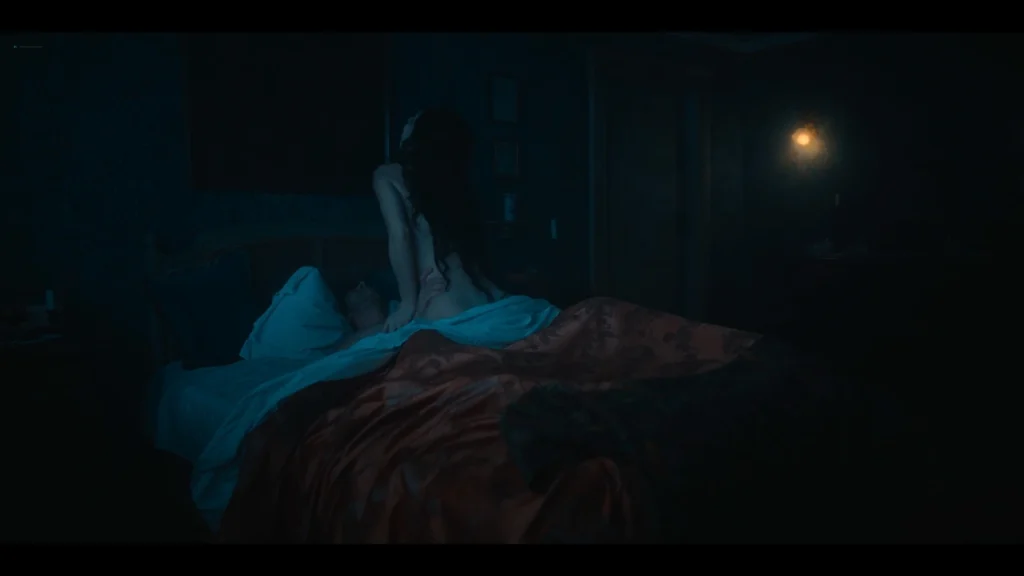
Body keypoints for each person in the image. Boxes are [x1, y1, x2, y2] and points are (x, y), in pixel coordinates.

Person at [372, 108, 504, 333]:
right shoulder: (456, 187)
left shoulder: (387, 175)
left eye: (414, 119)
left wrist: (407, 303)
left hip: (442, 302)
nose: (407, 121)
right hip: (483, 301)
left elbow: (400, 234)